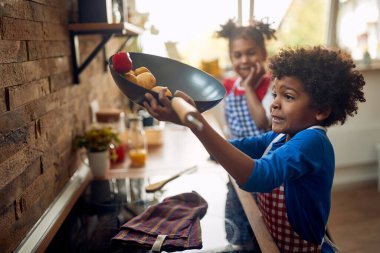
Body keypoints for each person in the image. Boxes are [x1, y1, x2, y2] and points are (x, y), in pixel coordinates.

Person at [143, 45, 366, 252]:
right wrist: (188, 123)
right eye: (276, 93)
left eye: (288, 96)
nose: (274, 103)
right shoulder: (278, 138)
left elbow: (258, 176)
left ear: (321, 111)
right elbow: (222, 150)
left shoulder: (313, 143)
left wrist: (197, 124)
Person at [215, 19, 276, 139]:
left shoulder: (271, 85)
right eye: (238, 56)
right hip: (238, 151)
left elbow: (262, 122)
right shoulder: (229, 86)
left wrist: (248, 87)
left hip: (265, 153)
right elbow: (227, 125)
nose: (244, 60)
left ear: (263, 53)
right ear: (231, 58)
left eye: (251, 53)